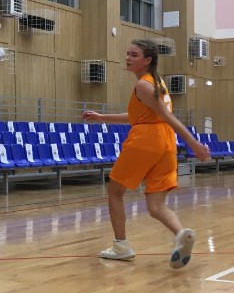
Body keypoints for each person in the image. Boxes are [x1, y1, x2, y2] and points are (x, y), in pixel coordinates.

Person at [83, 38, 211, 266]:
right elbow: (138, 116)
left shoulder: (143, 85)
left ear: (147, 60)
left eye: (134, 55)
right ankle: (182, 235)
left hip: (146, 140)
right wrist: (103, 117)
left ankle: (121, 246)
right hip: (166, 144)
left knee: (115, 192)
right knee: (156, 206)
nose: (128, 58)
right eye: (128, 53)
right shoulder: (157, 82)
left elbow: (167, 117)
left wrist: (194, 143)